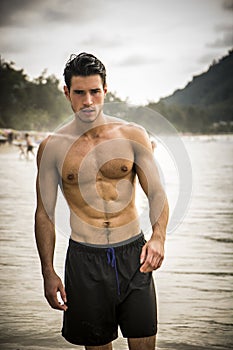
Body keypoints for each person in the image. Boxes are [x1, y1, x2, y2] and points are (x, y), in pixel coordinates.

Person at [35, 52, 169, 350]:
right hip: (84, 262)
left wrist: (158, 237)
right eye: (79, 93)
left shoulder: (133, 135)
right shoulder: (52, 147)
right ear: (67, 92)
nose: (88, 101)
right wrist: (48, 272)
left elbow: (157, 191)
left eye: (95, 92)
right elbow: (44, 213)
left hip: (134, 256)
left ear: (105, 91)